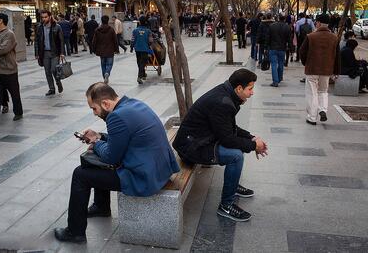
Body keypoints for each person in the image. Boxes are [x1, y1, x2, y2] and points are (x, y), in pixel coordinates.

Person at [54, 82, 180, 243]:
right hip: (159, 168)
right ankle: (101, 206)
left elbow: (111, 157)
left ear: (106, 103)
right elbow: (122, 139)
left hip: (144, 177)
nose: (94, 113)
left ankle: (75, 232)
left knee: (80, 174)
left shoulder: (116, 116)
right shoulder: (133, 104)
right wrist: (99, 136)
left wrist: (96, 143)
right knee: (95, 158)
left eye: (94, 108)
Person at [173, 69, 268, 222]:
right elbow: (228, 139)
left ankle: (233, 183)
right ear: (239, 88)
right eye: (250, 89)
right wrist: (253, 145)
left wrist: (252, 138)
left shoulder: (227, 95)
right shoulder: (223, 102)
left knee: (240, 146)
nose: (252, 93)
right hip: (191, 147)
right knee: (235, 156)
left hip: (200, 139)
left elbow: (230, 129)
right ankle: (226, 205)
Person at [300, 13, 340, 125]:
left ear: (318, 23)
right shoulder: (334, 38)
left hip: (312, 69)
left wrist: (305, 62)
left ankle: (312, 117)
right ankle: (323, 110)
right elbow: (337, 56)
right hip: (326, 70)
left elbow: (302, 52)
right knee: (323, 91)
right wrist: (336, 71)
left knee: (312, 93)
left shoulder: (311, 36)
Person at [34, 10, 64, 96]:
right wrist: (36, 53)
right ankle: (51, 88)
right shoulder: (39, 27)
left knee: (54, 69)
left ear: (50, 16)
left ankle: (58, 82)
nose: (44, 19)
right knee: (47, 72)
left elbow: (61, 40)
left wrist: (62, 53)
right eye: (42, 17)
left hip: (55, 52)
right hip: (44, 53)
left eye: (45, 17)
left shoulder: (57, 27)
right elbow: (36, 41)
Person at [265, 14, 292, 87]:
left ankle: (275, 81)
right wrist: (291, 48)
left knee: (273, 64)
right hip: (282, 49)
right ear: (285, 19)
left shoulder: (272, 26)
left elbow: (268, 38)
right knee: (281, 64)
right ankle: (279, 78)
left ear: (278, 18)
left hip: (273, 48)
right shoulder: (287, 27)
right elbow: (289, 39)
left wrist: (266, 47)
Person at [92, 15, 118, 84]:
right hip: (110, 50)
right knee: (109, 64)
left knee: (103, 64)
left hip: (101, 51)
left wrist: (93, 49)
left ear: (101, 21)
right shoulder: (111, 30)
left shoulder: (97, 30)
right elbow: (115, 40)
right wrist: (116, 49)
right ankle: (107, 73)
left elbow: (94, 41)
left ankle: (105, 76)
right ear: (108, 21)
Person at [130, 16, 153, 84]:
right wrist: (149, 45)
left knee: (139, 62)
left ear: (139, 22)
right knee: (143, 63)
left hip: (137, 49)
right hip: (145, 49)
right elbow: (150, 41)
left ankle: (143, 74)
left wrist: (131, 47)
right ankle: (139, 77)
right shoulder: (148, 31)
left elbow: (133, 40)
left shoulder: (135, 30)